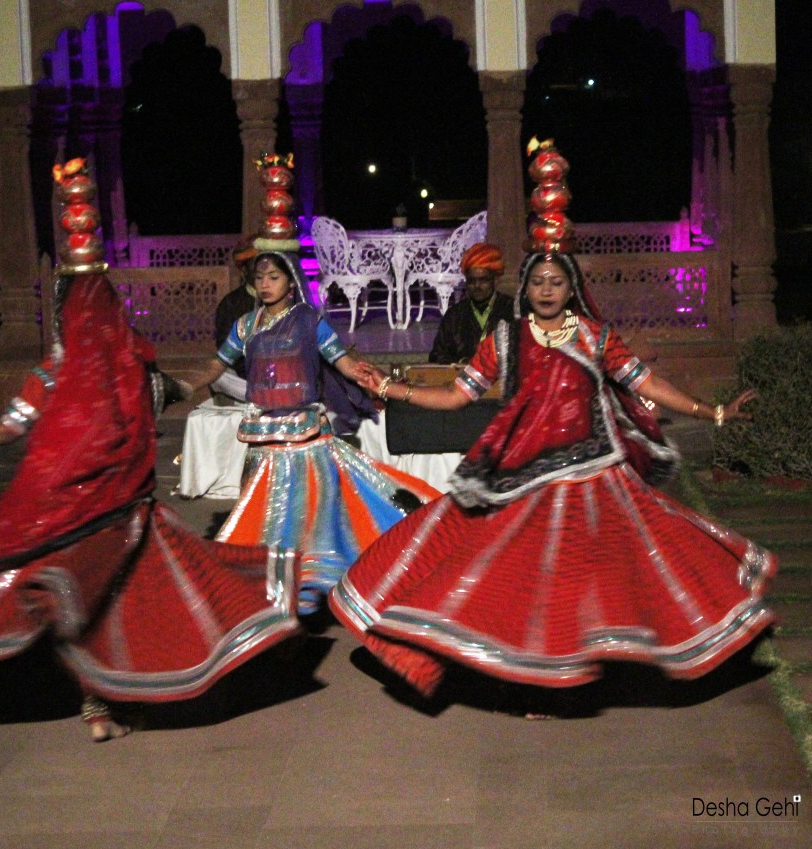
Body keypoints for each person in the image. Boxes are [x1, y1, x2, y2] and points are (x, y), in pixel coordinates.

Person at [0, 162, 303, 742]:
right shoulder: (135, 369)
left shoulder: (53, 373)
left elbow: (7, 432)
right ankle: (108, 700)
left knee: (78, 610)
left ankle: (95, 707)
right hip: (129, 520)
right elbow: (176, 394)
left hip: (63, 522)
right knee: (130, 606)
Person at [329, 166, 775, 702]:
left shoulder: (594, 337)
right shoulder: (505, 339)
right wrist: (394, 389)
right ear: (526, 287)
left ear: (571, 287)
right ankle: (528, 674)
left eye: (556, 281)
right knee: (496, 569)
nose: (546, 289)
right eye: (538, 281)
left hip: (593, 479)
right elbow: (456, 395)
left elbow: (647, 381)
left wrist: (714, 412)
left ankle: (582, 669)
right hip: (523, 479)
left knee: (613, 573)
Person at [188, 250, 439, 613]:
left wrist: (376, 381)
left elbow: (343, 361)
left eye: (274, 277)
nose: (265, 284)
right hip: (262, 438)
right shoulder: (245, 325)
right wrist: (182, 386)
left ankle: (309, 582)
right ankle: (267, 584)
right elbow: (216, 365)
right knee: (259, 516)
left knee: (311, 518)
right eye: (260, 278)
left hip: (305, 439)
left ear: (291, 283)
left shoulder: (310, 321)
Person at [428, 242, 514, 365]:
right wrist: (461, 363)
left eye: (483, 280)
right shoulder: (454, 315)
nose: (477, 286)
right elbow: (437, 356)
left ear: (495, 280)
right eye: (472, 281)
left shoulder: (511, 310)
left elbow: (523, 353)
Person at [209, 235, 259, 404]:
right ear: (244, 270)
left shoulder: (288, 298)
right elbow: (227, 352)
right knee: (219, 375)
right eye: (256, 265)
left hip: (284, 378)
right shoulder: (231, 304)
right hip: (248, 379)